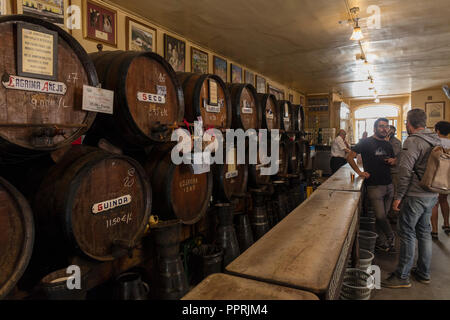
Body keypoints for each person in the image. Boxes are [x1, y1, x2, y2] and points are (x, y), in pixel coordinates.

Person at [382, 109, 441, 288]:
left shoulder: (413, 141)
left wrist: (398, 197)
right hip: (432, 194)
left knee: (406, 233)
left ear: (409, 123)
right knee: (424, 232)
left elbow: (405, 171)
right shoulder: (437, 139)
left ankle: (402, 276)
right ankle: (423, 273)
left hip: (415, 195)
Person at [347, 118, 396, 252]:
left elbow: (394, 159)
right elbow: (350, 156)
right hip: (374, 186)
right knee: (380, 216)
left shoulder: (388, 144)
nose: (384, 129)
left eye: (386, 126)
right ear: (374, 129)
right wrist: (359, 172)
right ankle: (391, 236)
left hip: (389, 185)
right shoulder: (365, 142)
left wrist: (393, 160)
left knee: (382, 218)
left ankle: (380, 242)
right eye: (381, 126)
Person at [431, 121, 450, 239]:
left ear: (437, 130)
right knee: (444, 199)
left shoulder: (434, 143)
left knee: (434, 203)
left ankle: (434, 230)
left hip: (436, 174)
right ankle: (447, 224)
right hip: (448, 175)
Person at [387, 125, 402, 222]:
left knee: (395, 193)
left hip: (394, 171)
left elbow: (392, 156)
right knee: (388, 193)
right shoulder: (386, 141)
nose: (388, 132)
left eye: (390, 131)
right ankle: (388, 213)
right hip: (387, 171)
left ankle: (394, 215)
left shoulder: (396, 142)